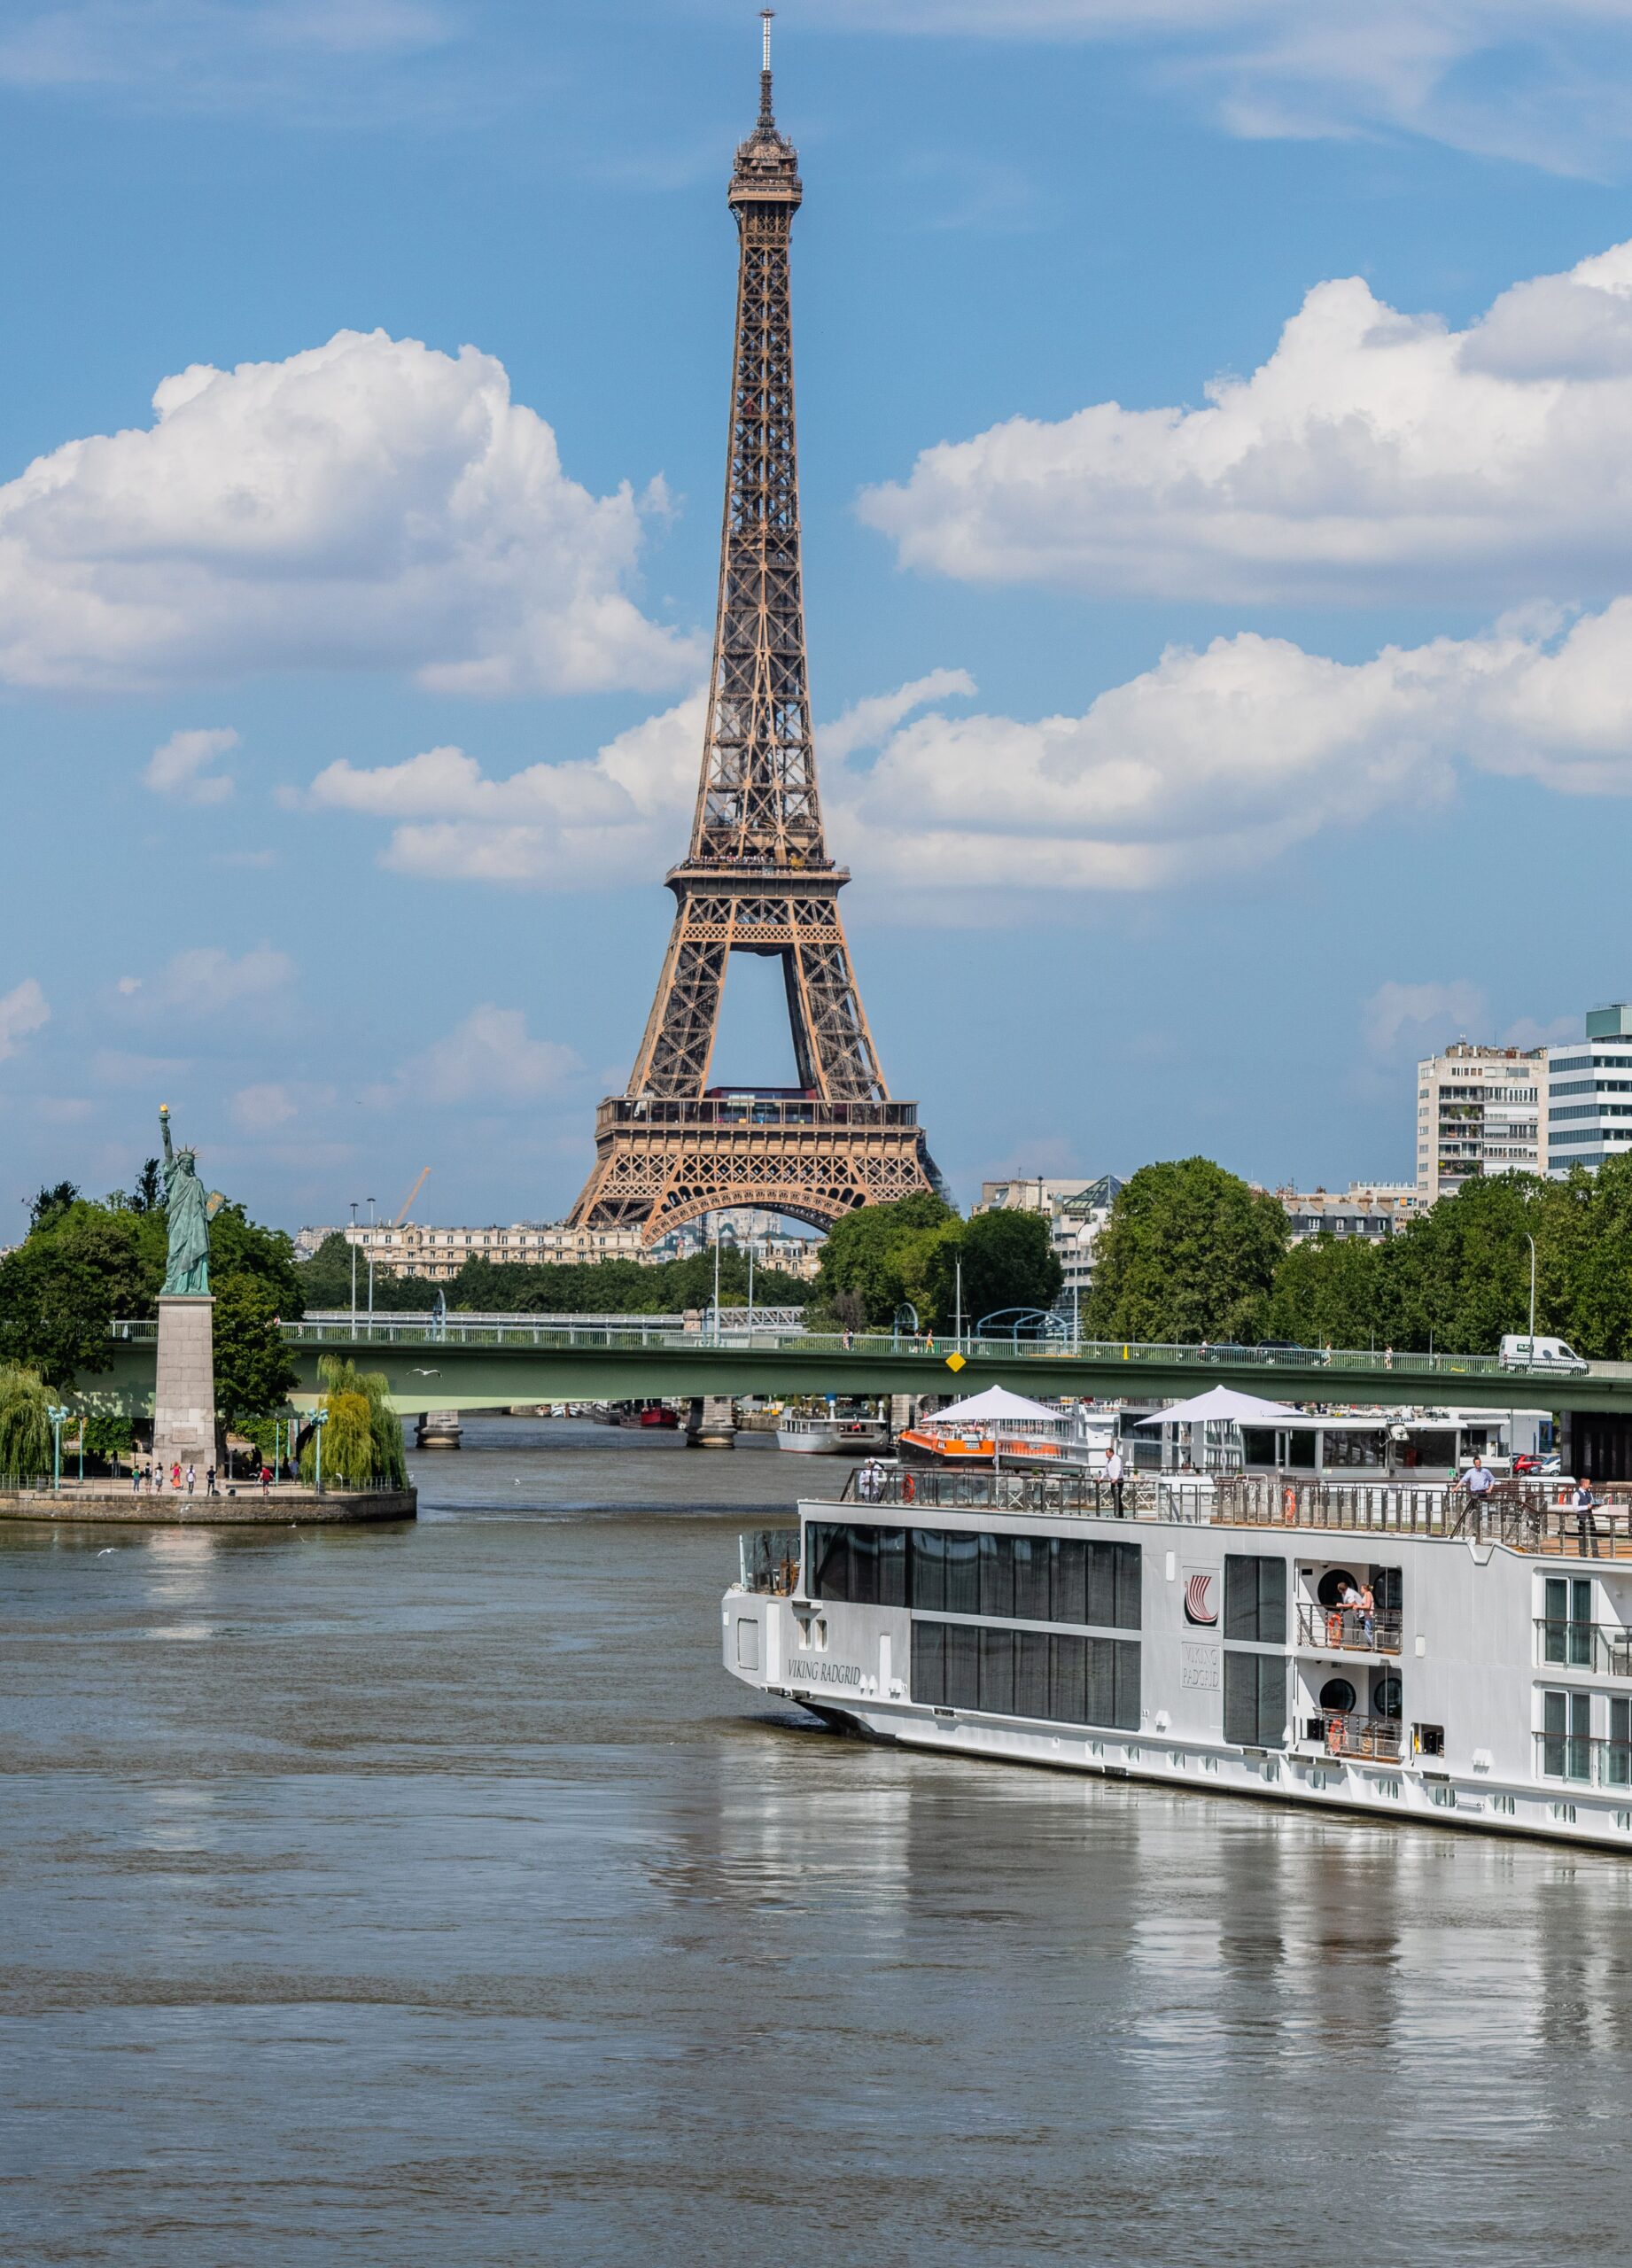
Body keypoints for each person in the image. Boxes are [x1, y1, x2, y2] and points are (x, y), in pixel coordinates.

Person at [1104, 1445, 1125, 1517]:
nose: (1106, 1455)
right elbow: (1106, 1471)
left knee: (1118, 1497)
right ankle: (1116, 1513)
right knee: (1115, 1498)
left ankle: (1120, 1515)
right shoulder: (1108, 1461)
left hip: (1118, 1481)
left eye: (1107, 1453)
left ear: (1111, 1453)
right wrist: (1101, 1478)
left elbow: (1118, 1469)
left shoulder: (1117, 1459)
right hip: (1113, 1481)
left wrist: (1115, 1478)